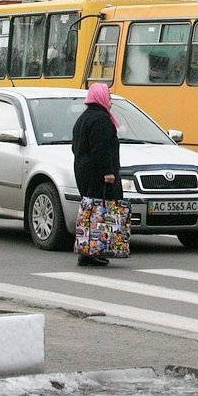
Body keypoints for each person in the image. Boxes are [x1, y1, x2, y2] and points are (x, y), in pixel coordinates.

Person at [72, 82, 122, 268]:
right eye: (108, 97)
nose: (110, 101)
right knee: (101, 212)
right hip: (98, 175)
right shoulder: (101, 119)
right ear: (101, 98)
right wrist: (107, 172)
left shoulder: (84, 118)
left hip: (84, 172)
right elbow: (101, 149)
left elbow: (75, 147)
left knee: (90, 211)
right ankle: (95, 252)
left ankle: (86, 252)